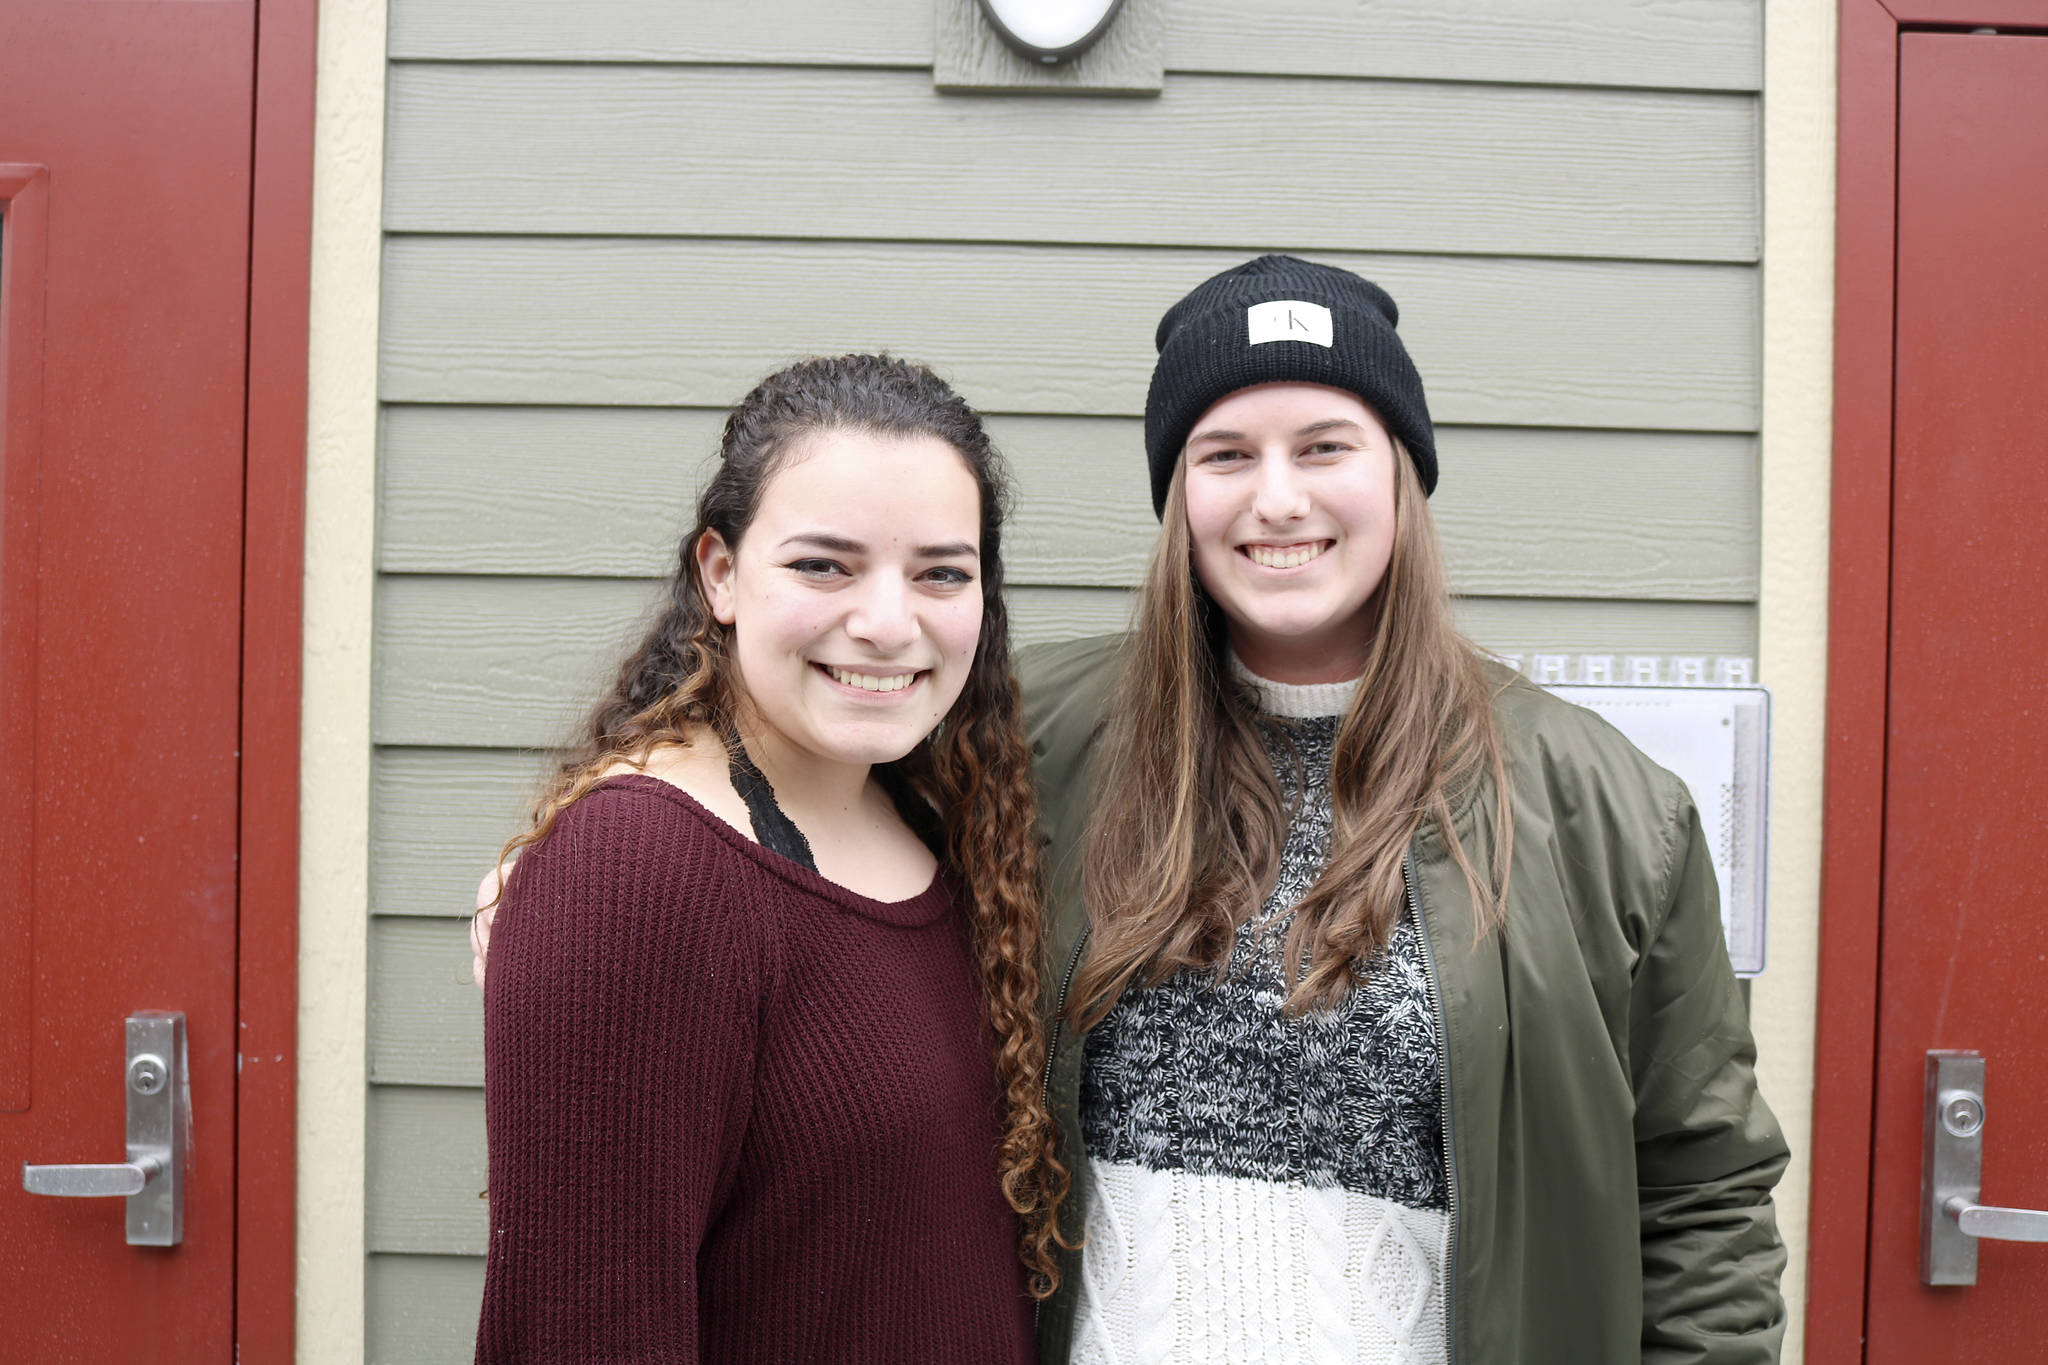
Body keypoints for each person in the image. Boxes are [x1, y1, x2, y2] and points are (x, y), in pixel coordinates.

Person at [1017, 255, 1789, 1363]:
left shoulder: (1604, 809)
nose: (1275, 497)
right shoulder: (1028, 738)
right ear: (1175, 493)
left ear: (1400, 476)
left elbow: (1700, 1191)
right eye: (1224, 454)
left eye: (1324, 446)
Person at [472, 354, 1067, 1363]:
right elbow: (583, 1329)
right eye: (822, 565)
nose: (886, 624)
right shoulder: (638, 869)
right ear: (720, 573)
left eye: (941, 573)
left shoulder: (929, 821)